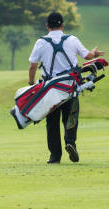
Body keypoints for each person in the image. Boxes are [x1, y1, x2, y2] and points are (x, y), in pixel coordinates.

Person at [28, 12, 104, 164]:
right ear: (62, 25)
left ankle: (55, 156)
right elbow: (88, 56)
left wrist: (31, 84)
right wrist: (94, 53)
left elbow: (33, 66)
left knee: (52, 122)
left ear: (47, 26)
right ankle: (70, 142)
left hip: (50, 90)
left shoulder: (41, 42)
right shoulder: (72, 39)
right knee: (71, 117)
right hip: (71, 87)